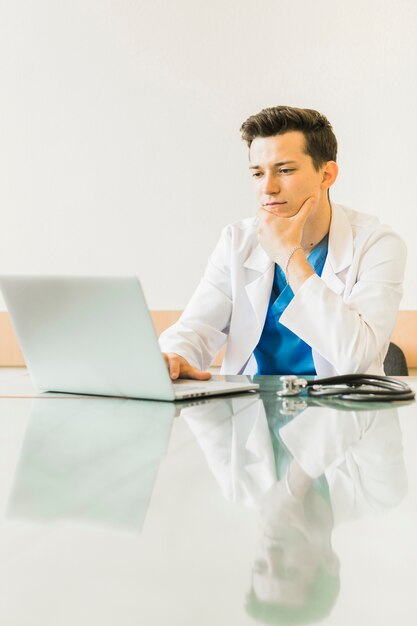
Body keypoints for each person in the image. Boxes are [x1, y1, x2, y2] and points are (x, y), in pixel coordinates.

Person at [159, 106, 406, 379]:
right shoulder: (237, 241)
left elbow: (356, 358)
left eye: (285, 170)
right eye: (257, 174)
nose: (267, 188)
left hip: (342, 413)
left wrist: (290, 256)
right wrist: (175, 356)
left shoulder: (377, 244)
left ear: (327, 175)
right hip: (251, 412)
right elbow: (195, 329)